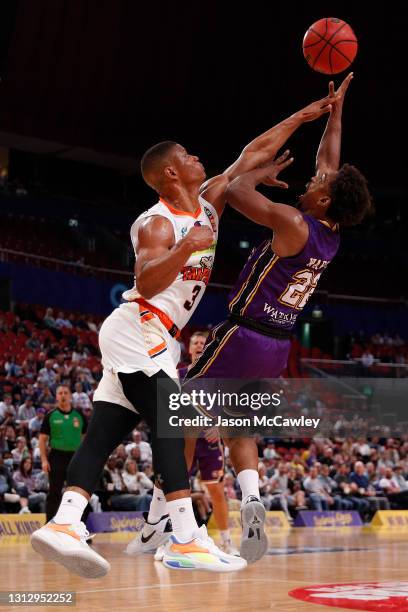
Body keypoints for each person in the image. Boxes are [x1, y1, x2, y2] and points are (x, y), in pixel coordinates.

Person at [31, 86, 338, 577]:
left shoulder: (210, 203)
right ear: (171, 172)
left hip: (154, 334)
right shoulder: (157, 223)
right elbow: (145, 280)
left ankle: (64, 522)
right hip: (139, 327)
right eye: (189, 156)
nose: (200, 159)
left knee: (103, 434)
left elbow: (251, 155)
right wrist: (186, 246)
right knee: (175, 420)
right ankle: (184, 538)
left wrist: (302, 116)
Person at [184, 73, 373, 562]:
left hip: (243, 333)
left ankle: (172, 518)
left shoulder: (292, 222)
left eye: (315, 185)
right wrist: (335, 112)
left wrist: (256, 176)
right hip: (277, 346)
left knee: (179, 409)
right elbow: (328, 161)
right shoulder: (330, 232)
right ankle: (251, 500)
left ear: (324, 200)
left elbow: (236, 191)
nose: (311, 181)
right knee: (239, 427)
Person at [127, 331, 238, 556]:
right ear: (188, 349)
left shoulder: (218, 376)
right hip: (183, 437)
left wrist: (221, 427)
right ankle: (169, 539)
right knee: (174, 487)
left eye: (202, 343)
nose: (198, 345)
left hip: (209, 440)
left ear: (208, 348)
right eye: (194, 342)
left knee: (216, 490)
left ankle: (227, 541)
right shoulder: (176, 375)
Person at [38, 385, 87, 521]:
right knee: (54, 493)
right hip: (56, 457)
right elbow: (42, 440)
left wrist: (84, 458)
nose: (63, 395)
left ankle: (78, 526)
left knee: (77, 494)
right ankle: (49, 526)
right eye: (60, 393)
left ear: (70, 396)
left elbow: (85, 438)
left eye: (66, 392)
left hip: (76, 458)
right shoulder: (51, 415)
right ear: (57, 396)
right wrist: (44, 460)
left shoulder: (79, 415)